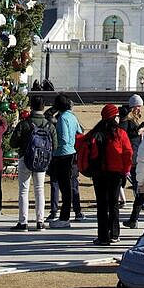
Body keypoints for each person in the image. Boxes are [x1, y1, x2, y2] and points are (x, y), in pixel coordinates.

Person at [84, 104, 135, 246]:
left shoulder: (95, 132)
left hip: (98, 173)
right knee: (113, 204)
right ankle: (114, 233)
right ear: (114, 117)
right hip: (116, 173)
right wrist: (126, 170)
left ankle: (102, 236)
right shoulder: (120, 133)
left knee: (102, 205)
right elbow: (128, 153)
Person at [8, 106, 47, 232]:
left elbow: (13, 143)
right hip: (41, 159)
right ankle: (40, 221)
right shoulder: (48, 124)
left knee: (24, 191)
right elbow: (55, 143)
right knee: (39, 190)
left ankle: (23, 222)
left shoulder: (24, 124)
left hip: (25, 158)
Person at [46, 95, 83, 227]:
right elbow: (79, 131)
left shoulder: (62, 118)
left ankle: (64, 217)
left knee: (64, 187)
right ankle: (65, 215)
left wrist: (54, 144)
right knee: (68, 186)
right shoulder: (72, 116)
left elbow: (64, 138)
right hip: (72, 153)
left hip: (62, 154)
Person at [121, 97, 144, 227]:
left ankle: (136, 213)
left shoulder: (133, 119)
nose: (139, 109)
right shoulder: (126, 120)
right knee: (137, 182)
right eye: (138, 106)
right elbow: (124, 135)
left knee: (139, 182)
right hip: (132, 154)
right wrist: (137, 132)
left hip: (136, 153)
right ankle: (137, 207)